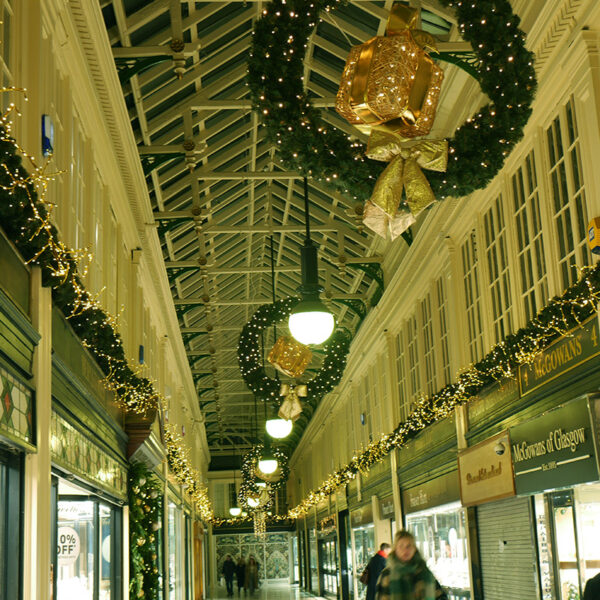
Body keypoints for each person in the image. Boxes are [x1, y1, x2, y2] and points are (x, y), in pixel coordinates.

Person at [376, 530, 447, 600]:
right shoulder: (387, 574)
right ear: (395, 549)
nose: (405, 550)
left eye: (408, 546)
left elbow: (440, 595)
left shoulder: (424, 572)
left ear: (414, 549)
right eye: (401, 546)